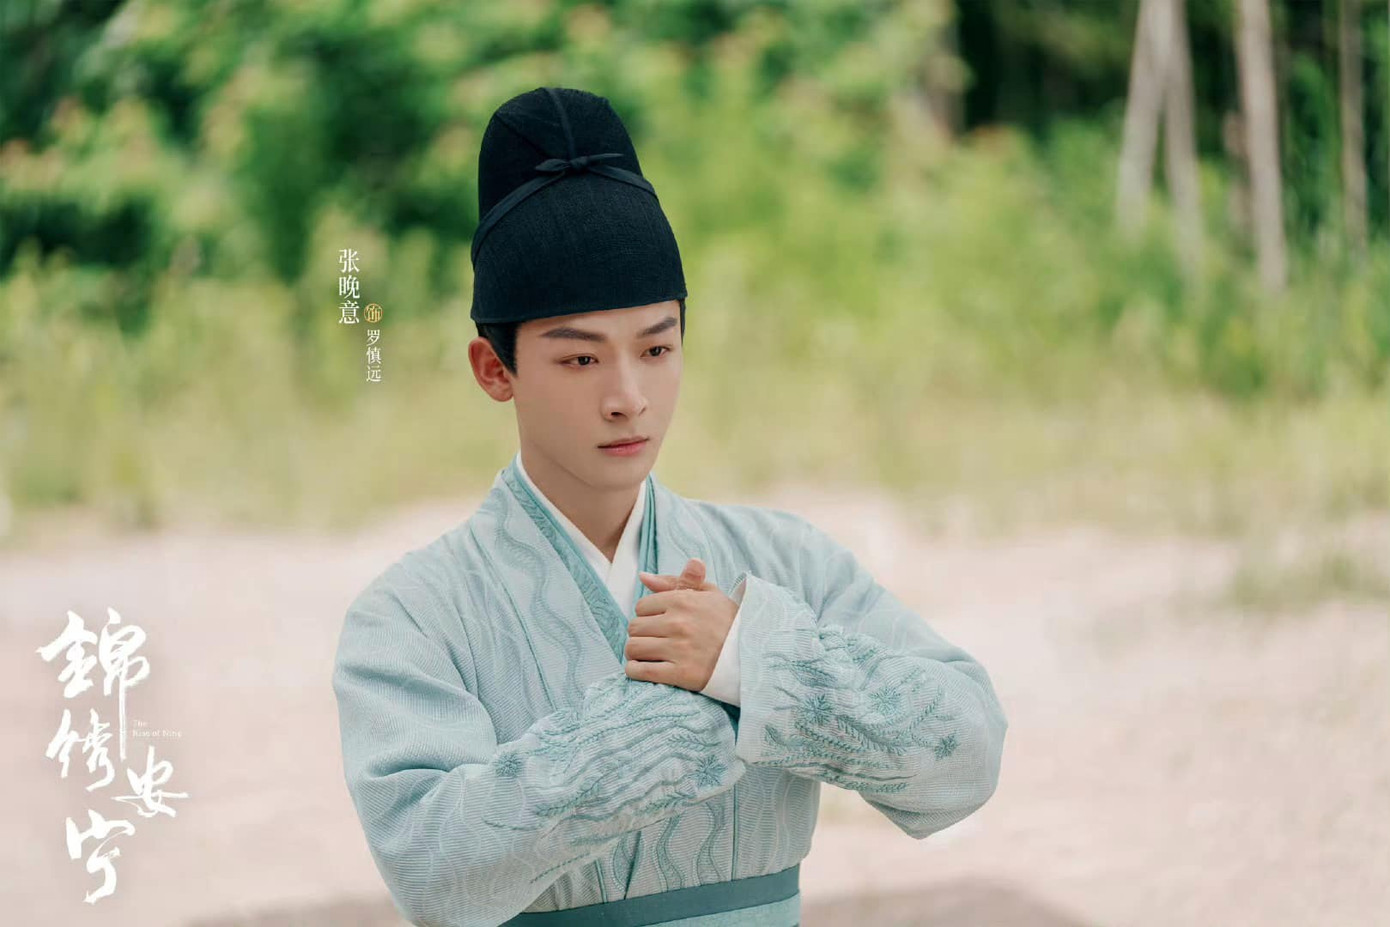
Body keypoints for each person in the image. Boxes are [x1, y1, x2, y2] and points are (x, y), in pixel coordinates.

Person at [332, 86, 1008, 927]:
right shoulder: (412, 615)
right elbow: (434, 870)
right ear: (494, 369)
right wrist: (675, 722)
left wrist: (753, 660)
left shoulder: (781, 560)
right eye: (581, 360)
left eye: (656, 348)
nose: (629, 396)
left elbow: (967, 754)